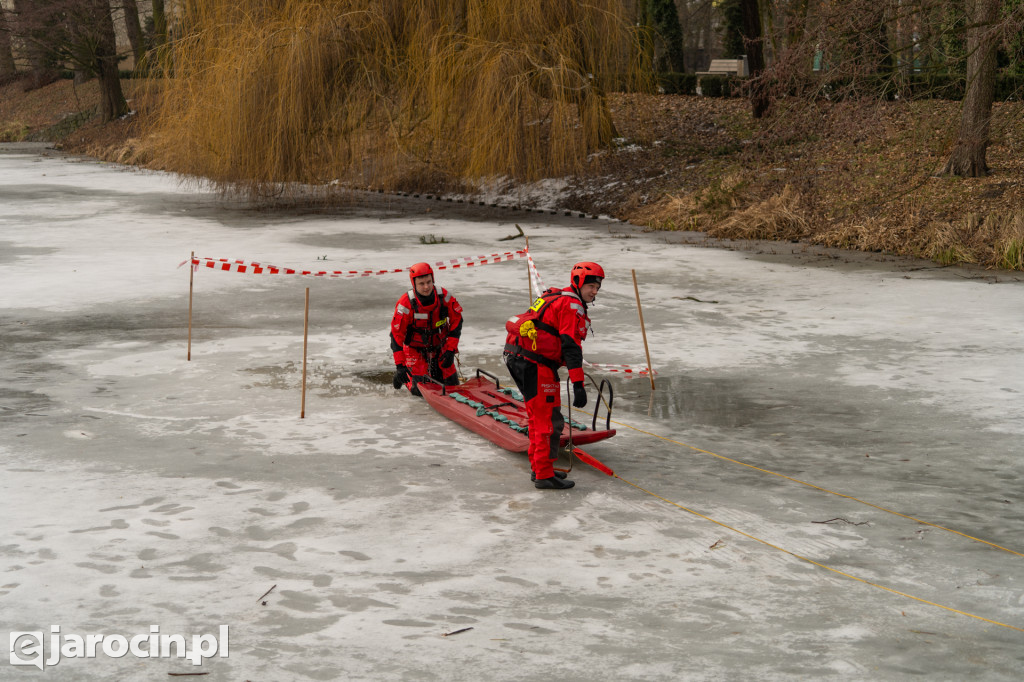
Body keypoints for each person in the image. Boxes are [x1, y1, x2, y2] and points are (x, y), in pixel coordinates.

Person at [503, 261, 604, 490]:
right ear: (578, 283)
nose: (594, 292)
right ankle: (543, 475)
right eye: (591, 286)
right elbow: (571, 346)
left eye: (597, 287)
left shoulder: (556, 297)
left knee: (539, 418)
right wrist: (578, 384)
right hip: (534, 363)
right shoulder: (571, 305)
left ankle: (540, 468)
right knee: (547, 420)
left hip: (520, 357)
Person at [390, 262, 463, 395]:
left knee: (452, 385)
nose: (426, 287)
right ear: (414, 284)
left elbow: (457, 320)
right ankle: (403, 379)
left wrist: (451, 350)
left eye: (429, 282)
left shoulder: (444, 296)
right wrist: (400, 365)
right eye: (421, 284)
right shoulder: (405, 304)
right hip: (415, 349)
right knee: (420, 391)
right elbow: (396, 335)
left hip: (441, 347)